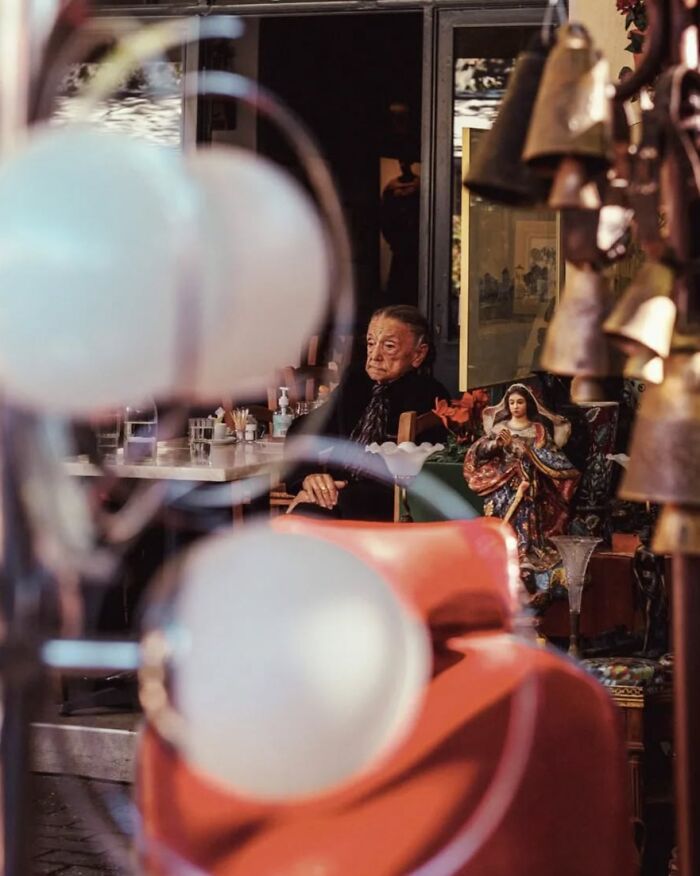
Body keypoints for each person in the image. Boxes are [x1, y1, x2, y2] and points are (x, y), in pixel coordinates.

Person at [286, 305, 449, 520]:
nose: (374, 355)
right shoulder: (356, 381)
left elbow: (417, 480)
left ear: (418, 354)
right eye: (371, 343)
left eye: (389, 346)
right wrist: (309, 478)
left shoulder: (430, 396)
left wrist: (336, 493)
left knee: (308, 515)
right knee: (301, 517)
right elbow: (305, 429)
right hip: (338, 497)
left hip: (388, 503)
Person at [463, 383, 580, 582]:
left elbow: (549, 456)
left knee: (527, 513)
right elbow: (480, 451)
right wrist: (497, 444)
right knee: (500, 511)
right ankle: (500, 549)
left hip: (529, 483)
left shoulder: (538, 430)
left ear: (528, 404)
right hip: (501, 481)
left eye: (520, 402)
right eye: (512, 402)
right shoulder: (500, 428)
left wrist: (523, 450)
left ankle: (525, 551)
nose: (515, 406)